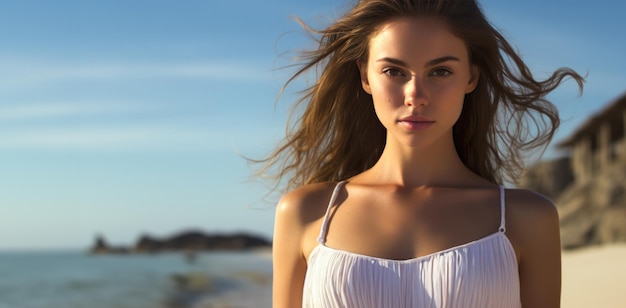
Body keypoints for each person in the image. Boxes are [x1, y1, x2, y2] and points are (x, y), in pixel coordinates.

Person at [260, 0, 585, 307]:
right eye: (394, 71)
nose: (416, 95)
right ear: (365, 76)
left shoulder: (526, 218)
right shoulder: (306, 213)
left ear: (471, 77)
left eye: (440, 71)